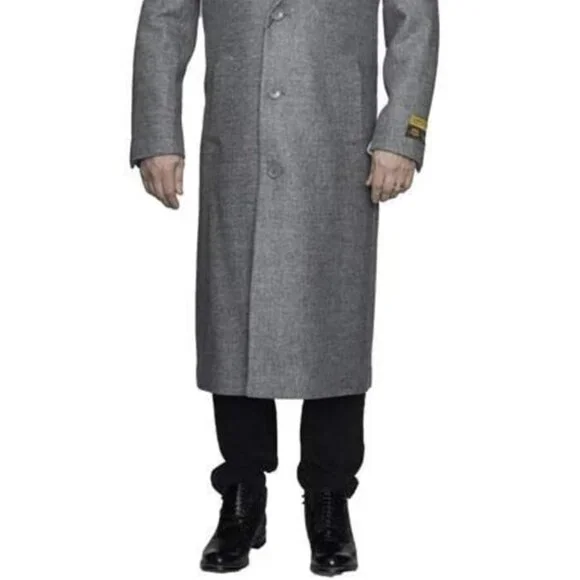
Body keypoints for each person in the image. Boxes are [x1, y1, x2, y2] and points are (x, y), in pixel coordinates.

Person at [130, 0, 439, 574]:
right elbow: (165, 16)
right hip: (237, 137)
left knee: (335, 317)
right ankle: (241, 495)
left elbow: (414, 19)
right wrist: (157, 133)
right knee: (233, 319)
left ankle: (329, 497)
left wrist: (403, 131)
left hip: (336, 139)